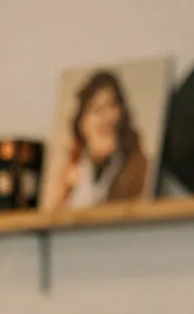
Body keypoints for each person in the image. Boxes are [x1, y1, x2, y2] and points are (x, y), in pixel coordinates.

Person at [48, 69, 150, 209]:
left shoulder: (137, 167)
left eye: (111, 106)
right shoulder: (72, 169)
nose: (106, 118)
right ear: (82, 123)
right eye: (97, 109)